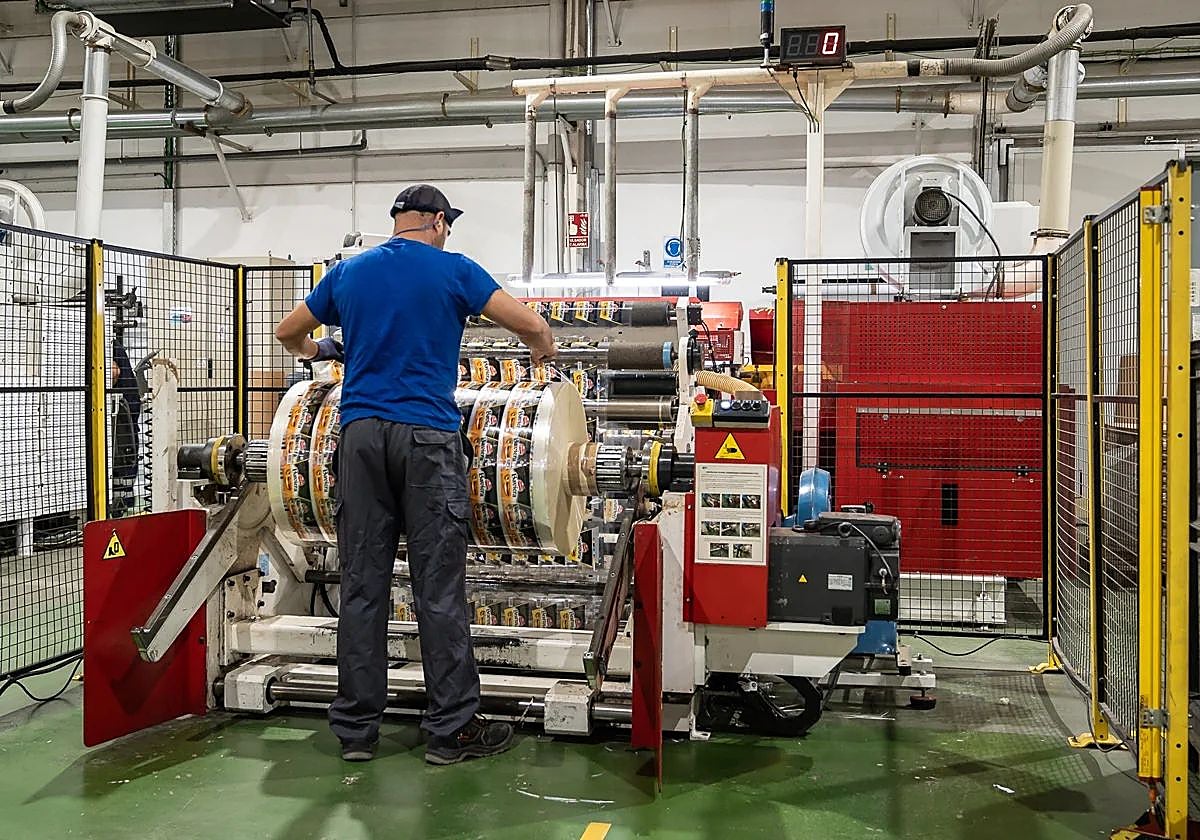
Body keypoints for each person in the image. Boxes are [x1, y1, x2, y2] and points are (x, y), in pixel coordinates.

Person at [274, 185, 556, 765]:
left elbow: (287, 332)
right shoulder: (454, 270)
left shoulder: (349, 273)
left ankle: (357, 731)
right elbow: (530, 325)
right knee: (437, 588)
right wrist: (542, 355)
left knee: (362, 585)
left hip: (360, 439)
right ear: (437, 222)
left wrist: (321, 350)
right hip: (426, 439)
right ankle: (451, 731)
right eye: (447, 225)